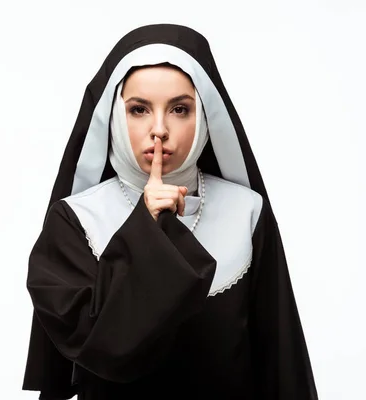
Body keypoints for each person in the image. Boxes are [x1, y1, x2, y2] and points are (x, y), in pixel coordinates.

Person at [21, 24, 318, 399]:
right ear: (114, 117)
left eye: (179, 109)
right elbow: (100, 348)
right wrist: (145, 226)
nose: (158, 129)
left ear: (206, 116)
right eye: (139, 110)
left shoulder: (247, 212)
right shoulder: (76, 219)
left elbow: (280, 362)